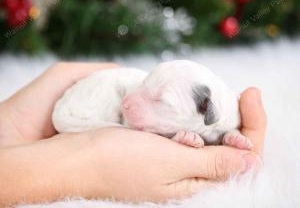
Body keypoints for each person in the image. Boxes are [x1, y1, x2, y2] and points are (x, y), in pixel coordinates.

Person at [0, 62, 267, 207]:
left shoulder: (219, 110)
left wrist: (9, 125)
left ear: (207, 111)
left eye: (161, 101)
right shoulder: (128, 97)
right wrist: (83, 165)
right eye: (144, 84)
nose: (127, 102)